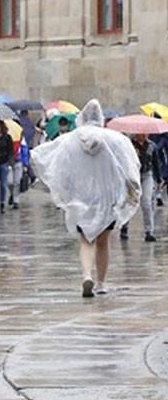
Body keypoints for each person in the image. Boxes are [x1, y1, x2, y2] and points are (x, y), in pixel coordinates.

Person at [32, 100, 141, 297]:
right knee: (103, 241)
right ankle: (101, 282)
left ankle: (86, 275)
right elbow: (129, 166)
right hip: (107, 199)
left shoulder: (70, 140)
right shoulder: (116, 140)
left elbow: (52, 158)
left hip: (82, 198)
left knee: (86, 241)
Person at [119, 133, 161, 242]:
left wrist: (159, 179)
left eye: (146, 133)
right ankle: (124, 227)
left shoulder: (151, 145)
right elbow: (122, 161)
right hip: (132, 176)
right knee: (129, 202)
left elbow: (156, 162)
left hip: (147, 175)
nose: (144, 135)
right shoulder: (129, 145)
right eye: (142, 132)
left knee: (146, 202)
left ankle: (149, 231)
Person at [8, 136, 30, 210]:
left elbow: (25, 151)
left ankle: (16, 201)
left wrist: (25, 164)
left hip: (18, 161)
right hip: (8, 162)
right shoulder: (6, 137)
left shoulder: (21, 138)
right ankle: (12, 194)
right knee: (9, 182)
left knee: (17, 182)